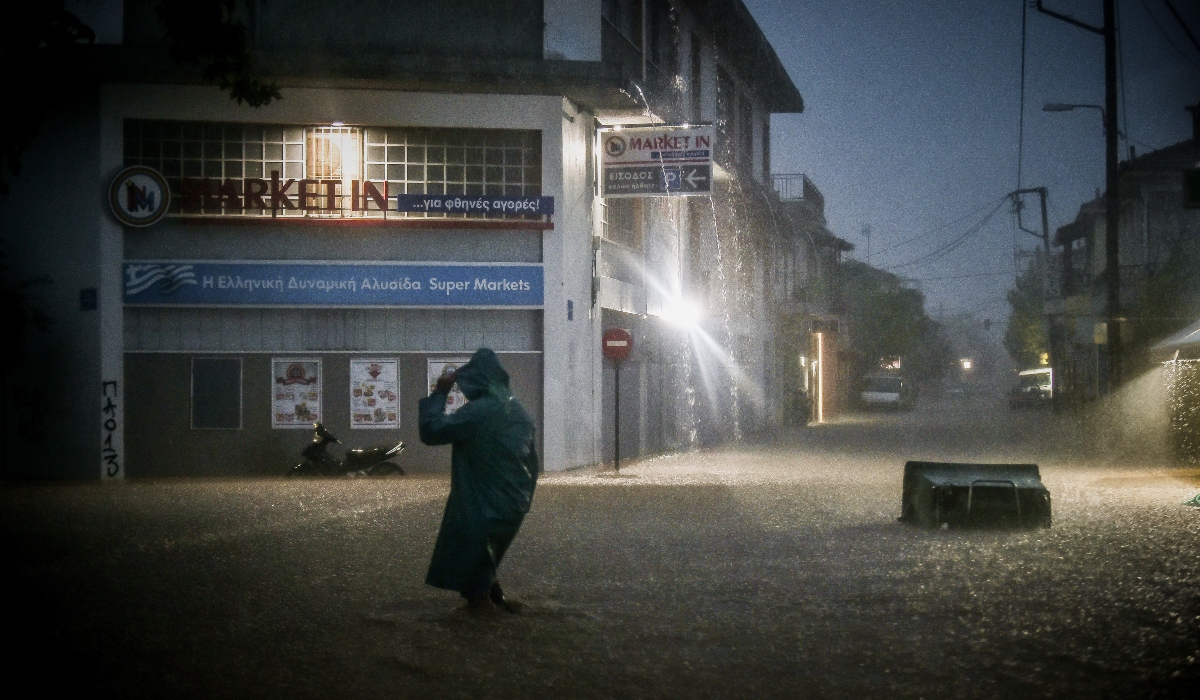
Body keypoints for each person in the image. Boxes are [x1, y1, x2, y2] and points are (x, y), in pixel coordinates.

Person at [418, 348, 539, 614]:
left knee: (470, 544)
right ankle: (492, 592)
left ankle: (481, 606)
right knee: (485, 549)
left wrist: (440, 392)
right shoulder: (520, 412)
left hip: (482, 503)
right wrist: (524, 499)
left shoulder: (477, 412)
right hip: (514, 503)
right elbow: (533, 464)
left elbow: (431, 431)